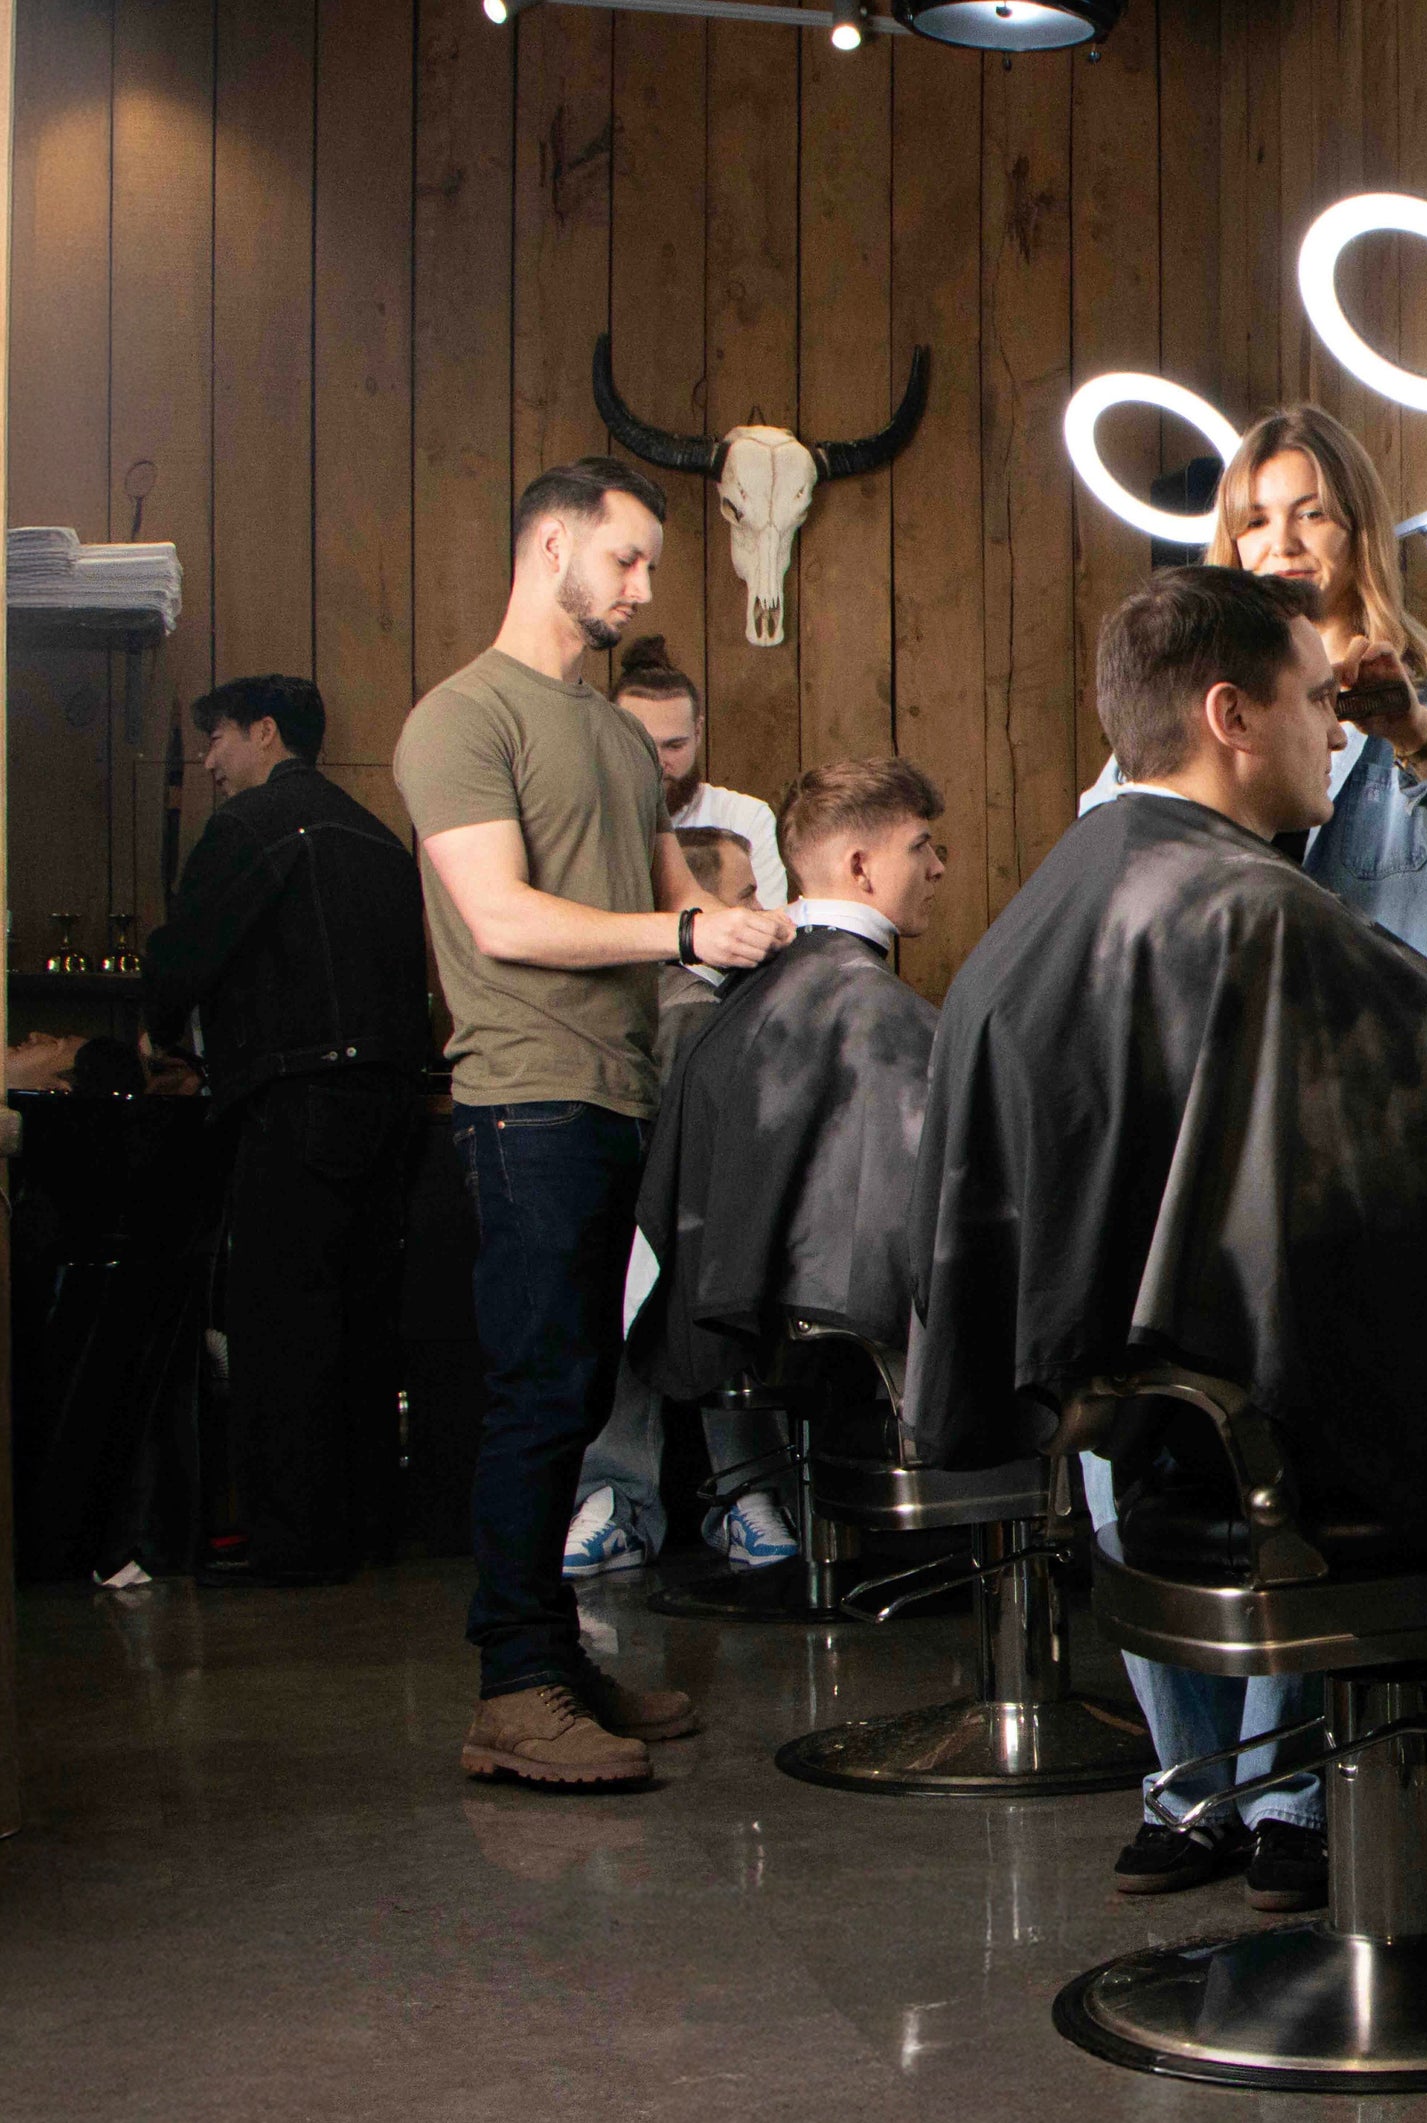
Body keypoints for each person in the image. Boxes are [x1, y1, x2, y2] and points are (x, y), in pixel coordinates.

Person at [905, 566, 1427, 1903]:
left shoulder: (1051, 902)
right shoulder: (1255, 914)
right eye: (1311, 703)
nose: (1336, 737)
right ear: (1232, 712)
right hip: (1275, 1448)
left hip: (1154, 1440)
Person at [395, 454, 793, 1787]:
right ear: (549, 543)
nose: (637, 586)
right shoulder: (458, 717)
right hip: (523, 1098)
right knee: (536, 1393)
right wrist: (684, 924)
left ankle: (555, 1661)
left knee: (575, 1392)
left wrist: (765, 932)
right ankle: (512, 1686)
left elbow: (687, 901)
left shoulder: (621, 738)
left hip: (624, 1094)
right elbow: (503, 915)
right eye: (622, 559)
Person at [137, 675, 437, 1588]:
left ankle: (295, 1547)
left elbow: (183, 957)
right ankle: (365, 1527)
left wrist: (163, 1022)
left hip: (296, 1099)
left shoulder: (251, 828)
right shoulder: (381, 839)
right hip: (393, 1105)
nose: (212, 764)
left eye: (218, 740)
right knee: (362, 1319)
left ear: (264, 733)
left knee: (281, 1324)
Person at [1077, 404, 1427, 968]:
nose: (1282, 545)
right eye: (1254, 522)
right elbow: (1108, 837)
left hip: (1365, 1033)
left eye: (1312, 515)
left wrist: (1417, 734)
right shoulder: (1190, 694)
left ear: (1361, 532)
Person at [629, 759, 946, 1415]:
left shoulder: (743, 997)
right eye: (921, 846)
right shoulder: (878, 1011)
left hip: (746, 1320)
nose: (938, 867)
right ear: (861, 867)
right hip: (854, 1344)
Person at [562, 826, 800, 1577]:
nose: (758, 912)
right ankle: (703, 1493)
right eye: (744, 897)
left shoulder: (727, 1009)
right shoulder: (678, 1013)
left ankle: (683, 1497)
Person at [616, 638, 787, 909]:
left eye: (674, 746)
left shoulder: (744, 817)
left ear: (697, 733)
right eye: (642, 746)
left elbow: (764, 929)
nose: (657, 764)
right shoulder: (587, 819)